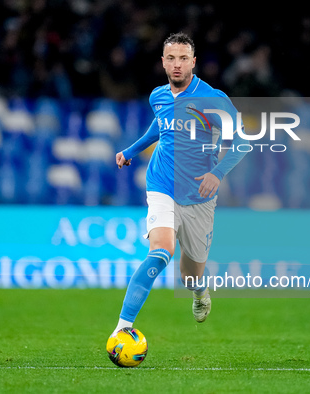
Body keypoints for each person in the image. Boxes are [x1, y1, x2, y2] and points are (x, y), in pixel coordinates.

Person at [110, 32, 248, 336]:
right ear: (162, 61)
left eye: (183, 58)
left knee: (190, 276)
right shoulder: (157, 96)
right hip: (161, 185)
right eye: (171, 58)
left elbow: (242, 142)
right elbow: (159, 126)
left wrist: (217, 173)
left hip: (199, 194)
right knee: (161, 251)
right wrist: (131, 150)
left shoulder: (213, 99)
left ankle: (199, 291)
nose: (177, 65)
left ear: (193, 62)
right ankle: (122, 328)